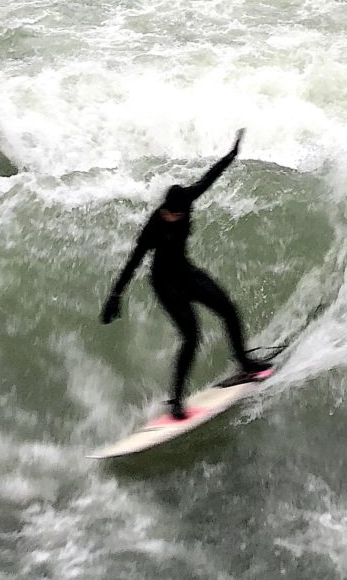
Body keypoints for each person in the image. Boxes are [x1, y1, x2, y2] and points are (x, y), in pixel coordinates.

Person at [100, 130, 271, 420]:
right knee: (191, 337)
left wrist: (231, 155)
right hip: (165, 284)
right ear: (164, 208)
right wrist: (115, 295)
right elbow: (133, 262)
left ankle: (243, 363)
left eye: (176, 215)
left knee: (228, 309)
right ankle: (176, 400)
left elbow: (208, 178)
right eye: (169, 213)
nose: (172, 218)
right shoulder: (154, 226)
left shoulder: (187, 200)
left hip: (187, 273)